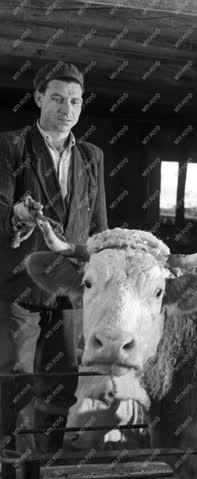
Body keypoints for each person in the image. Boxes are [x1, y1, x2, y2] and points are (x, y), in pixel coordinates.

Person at [0, 62, 107, 448]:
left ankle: (48, 473)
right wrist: (16, 214)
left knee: (64, 382)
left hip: (70, 290)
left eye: (75, 101)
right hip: (19, 284)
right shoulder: (10, 145)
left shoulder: (92, 156)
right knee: (12, 379)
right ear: (39, 98)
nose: (67, 109)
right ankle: (9, 474)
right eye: (58, 99)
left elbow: (98, 230)